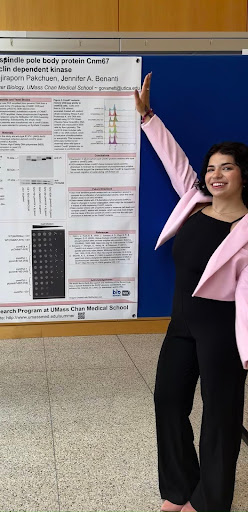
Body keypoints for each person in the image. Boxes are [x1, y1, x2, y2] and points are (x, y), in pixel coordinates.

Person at [134, 73, 248, 512]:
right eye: (212, 167)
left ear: (243, 175)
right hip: (181, 323)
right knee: (168, 402)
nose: (216, 174)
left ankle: (209, 500)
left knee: (219, 417)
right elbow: (176, 162)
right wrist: (147, 117)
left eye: (228, 167)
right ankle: (178, 489)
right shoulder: (195, 201)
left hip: (222, 329)